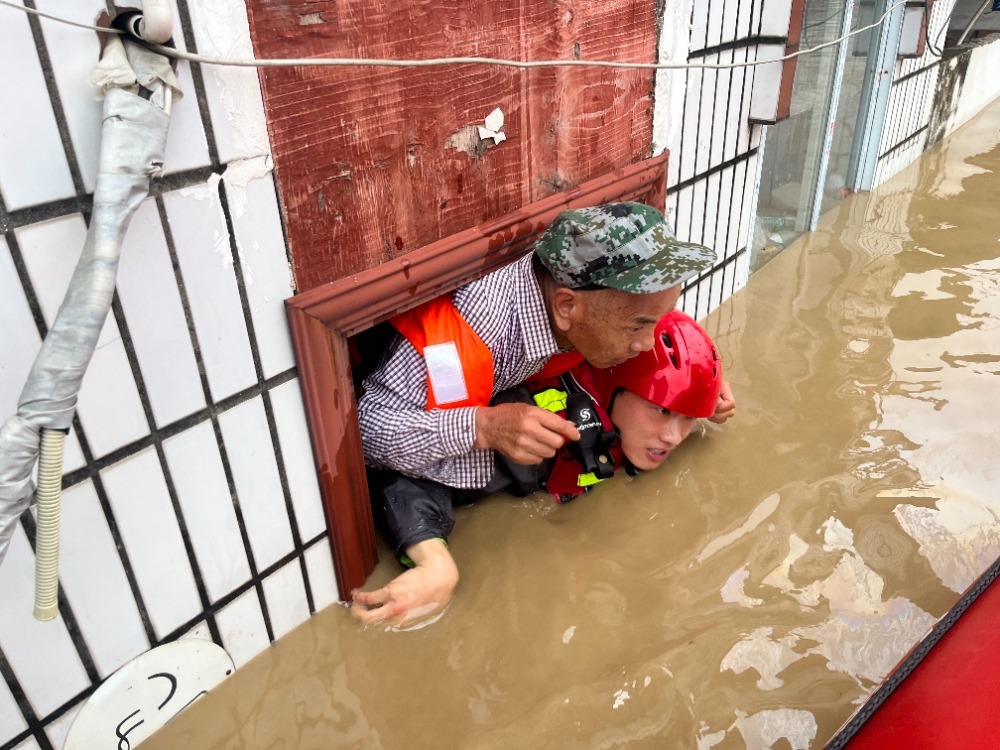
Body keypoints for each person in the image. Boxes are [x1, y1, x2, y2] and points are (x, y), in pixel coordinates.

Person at [353, 202, 717, 625]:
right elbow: (363, 433)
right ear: (566, 307)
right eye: (638, 327)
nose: (646, 344)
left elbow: (651, 330)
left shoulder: (580, 305)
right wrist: (482, 426)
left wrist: (700, 393)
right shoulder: (477, 324)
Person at [495, 310, 734, 504]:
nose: (673, 438)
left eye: (688, 418)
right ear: (613, 387)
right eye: (662, 411)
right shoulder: (534, 437)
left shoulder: (631, 409)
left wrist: (702, 400)